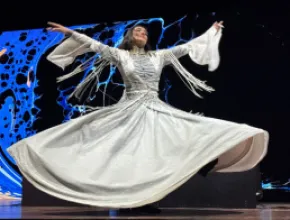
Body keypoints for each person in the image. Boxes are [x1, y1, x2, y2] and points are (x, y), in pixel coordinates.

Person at [7, 20, 269, 211]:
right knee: (129, 156)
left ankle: (200, 162)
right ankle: (134, 200)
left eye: (144, 31)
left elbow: (189, 47)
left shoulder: (159, 56)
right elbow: (94, 45)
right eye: (136, 30)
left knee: (184, 134)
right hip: (128, 109)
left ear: (148, 38)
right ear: (131, 38)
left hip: (154, 107)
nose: (140, 32)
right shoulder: (120, 55)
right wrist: (69, 32)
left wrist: (212, 32)